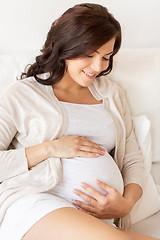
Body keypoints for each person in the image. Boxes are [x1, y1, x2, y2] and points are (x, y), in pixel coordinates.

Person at [0, 3, 158, 240]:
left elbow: (133, 160)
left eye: (106, 57)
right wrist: (50, 148)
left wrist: (126, 204)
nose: (98, 67)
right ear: (65, 46)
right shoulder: (23, 94)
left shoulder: (112, 95)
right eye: (89, 54)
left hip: (95, 220)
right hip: (37, 204)